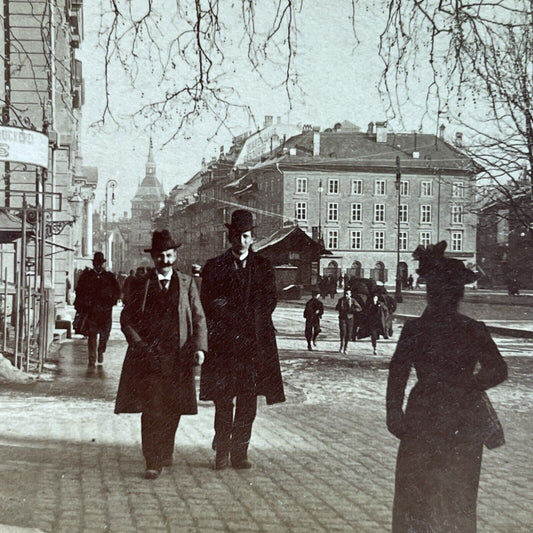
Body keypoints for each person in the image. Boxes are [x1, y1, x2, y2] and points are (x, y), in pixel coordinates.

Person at [386, 241, 507, 533]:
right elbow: (498, 370)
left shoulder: (415, 329)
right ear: (457, 294)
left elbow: (398, 373)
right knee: (459, 493)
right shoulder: (472, 328)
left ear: (431, 293)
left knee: (416, 492)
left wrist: (394, 413)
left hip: (422, 414)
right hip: (463, 418)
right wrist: (468, 385)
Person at [115, 230, 207, 480]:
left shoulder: (187, 283)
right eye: (160, 256)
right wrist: (138, 344)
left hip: (179, 357)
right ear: (153, 258)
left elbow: (198, 317)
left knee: (173, 407)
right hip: (150, 357)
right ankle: (152, 460)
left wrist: (199, 347)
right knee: (152, 407)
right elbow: (127, 319)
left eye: (169, 255)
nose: (165, 260)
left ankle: (165, 450)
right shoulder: (142, 284)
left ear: (175, 256)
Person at [200, 209, 285, 470]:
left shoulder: (263, 267)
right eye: (236, 236)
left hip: (253, 344)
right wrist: (230, 313)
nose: (240, 241)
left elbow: (269, 300)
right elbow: (208, 302)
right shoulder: (214, 267)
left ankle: (240, 452)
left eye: (245, 236)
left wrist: (242, 315)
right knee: (223, 399)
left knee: (248, 399)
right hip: (224, 346)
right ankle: (222, 451)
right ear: (230, 237)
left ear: (252, 239)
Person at [74, 252, 121, 367]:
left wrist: (111, 302)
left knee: (105, 334)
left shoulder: (109, 276)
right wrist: (81, 305)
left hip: (105, 311)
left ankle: (101, 350)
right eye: (96, 263)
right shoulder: (87, 276)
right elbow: (79, 291)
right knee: (92, 334)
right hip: (92, 311)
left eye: (100, 263)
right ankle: (92, 357)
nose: (98, 266)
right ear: (93, 263)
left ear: (102, 264)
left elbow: (117, 291)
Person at [335, 287, 360, 354]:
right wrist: (340, 308)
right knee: (343, 332)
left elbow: (359, 308)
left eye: (348, 294)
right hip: (342, 318)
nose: (346, 295)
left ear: (350, 294)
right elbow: (336, 308)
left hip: (350, 318)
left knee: (349, 334)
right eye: (345, 294)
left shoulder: (353, 300)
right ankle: (341, 346)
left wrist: (353, 310)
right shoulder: (341, 300)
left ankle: (346, 346)